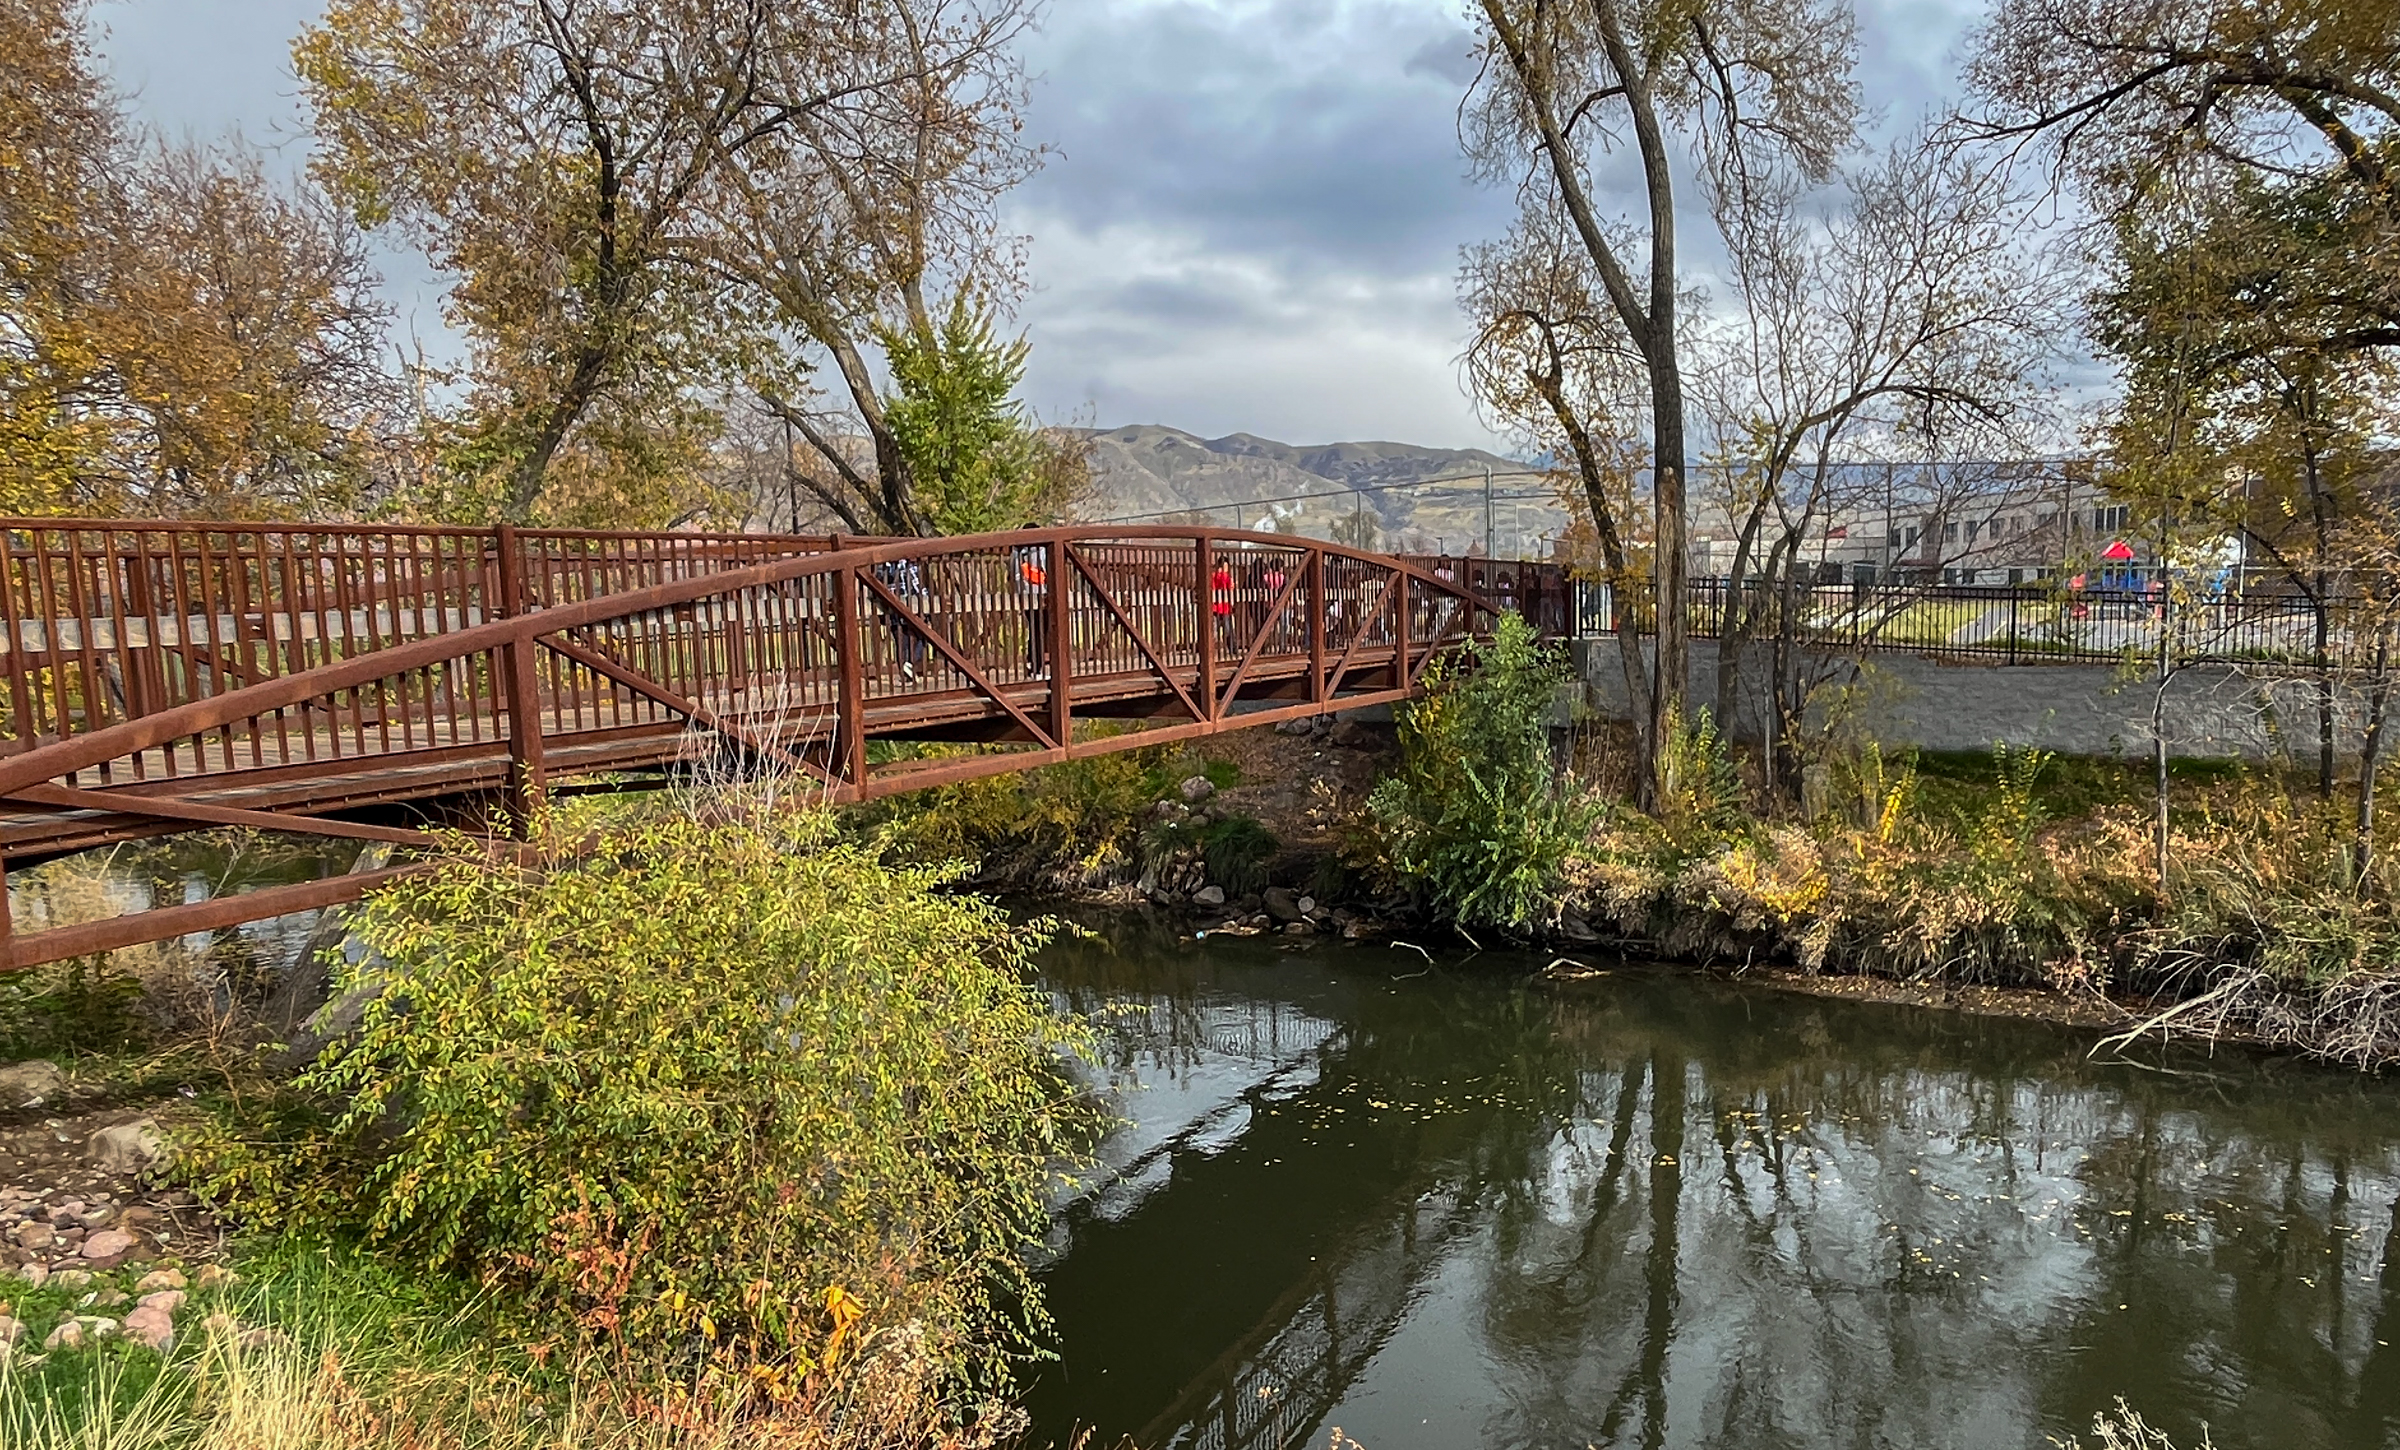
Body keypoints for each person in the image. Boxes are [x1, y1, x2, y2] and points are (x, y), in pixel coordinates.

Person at [1012, 527, 1050, 675]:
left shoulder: (1016, 552)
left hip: (1025, 596)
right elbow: (1048, 571)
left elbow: (1013, 575)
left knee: (1034, 629)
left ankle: (1033, 664)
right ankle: (1035, 666)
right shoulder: (1041, 550)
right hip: (1042, 595)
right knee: (1041, 630)